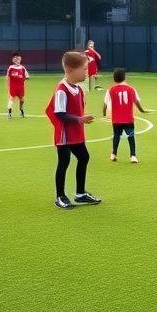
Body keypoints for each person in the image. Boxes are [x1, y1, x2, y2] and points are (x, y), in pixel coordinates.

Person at [45, 51, 99, 209]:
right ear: (70, 69)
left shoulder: (78, 90)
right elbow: (59, 113)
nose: (86, 72)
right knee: (64, 161)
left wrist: (80, 119)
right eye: (84, 69)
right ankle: (60, 196)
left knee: (84, 157)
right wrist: (78, 119)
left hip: (76, 132)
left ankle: (80, 194)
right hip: (64, 133)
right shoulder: (62, 89)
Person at [105, 67, 147, 164]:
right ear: (125, 77)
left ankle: (113, 154)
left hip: (116, 119)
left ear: (114, 78)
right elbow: (137, 102)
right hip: (128, 119)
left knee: (116, 136)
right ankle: (133, 156)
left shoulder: (110, 90)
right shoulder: (131, 89)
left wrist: (104, 114)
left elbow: (105, 104)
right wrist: (142, 110)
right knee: (131, 136)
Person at [6, 52, 29, 118]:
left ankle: (21, 110)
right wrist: (8, 85)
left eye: (18, 59)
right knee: (11, 99)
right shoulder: (11, 68)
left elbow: (27, 76)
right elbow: (8, 77)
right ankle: (9, 113)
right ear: (13, 60)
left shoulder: (22, 68)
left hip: (20, 87)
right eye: (16, 59)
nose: (17, 60)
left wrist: (23, 78)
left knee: (22, 100)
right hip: (13, 87)